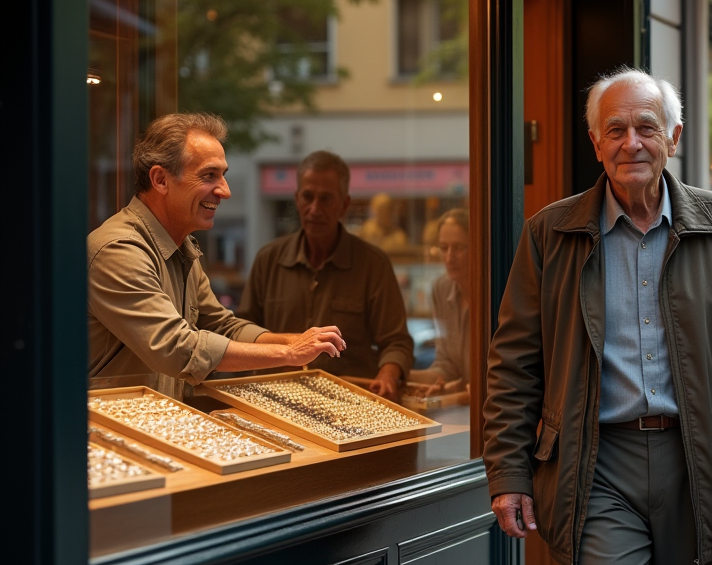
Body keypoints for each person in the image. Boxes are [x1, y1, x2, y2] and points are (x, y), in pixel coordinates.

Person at [483, 68, 712, 565]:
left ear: (675, 135)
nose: (630, 143)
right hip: (596, 462)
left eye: (646, 127)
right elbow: (514, 361)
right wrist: (509, 469)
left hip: (697, 463)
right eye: (615, 130)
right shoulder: (550, 233)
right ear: (595, 142)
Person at [89, 113, 346, 400]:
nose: (225, 190)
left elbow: (223, 326)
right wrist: (287, 352)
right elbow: (178, 349)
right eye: (209, 175)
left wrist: (295, 340)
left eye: (223, 175)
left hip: (149, 428)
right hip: (103, 436)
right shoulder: (117, 249)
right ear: (160, 179)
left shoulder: (181, 246)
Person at [238, 150, 414, 400]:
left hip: (351, 408)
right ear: (297, 199)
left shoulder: (373, 265)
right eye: (308, 197)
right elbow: (243, 334)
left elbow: (397, 342)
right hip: (276, 403)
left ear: (344, 204)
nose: (314, 208)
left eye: (326, 199)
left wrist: (388, 374)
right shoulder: (268, 260)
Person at [408, 209, 470, 392]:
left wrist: (452, 394)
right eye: (444, 248)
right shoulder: (441, 289)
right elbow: (447, 368)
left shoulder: (495, 292)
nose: (449, 257)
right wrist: (396, 374)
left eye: (459, 247)